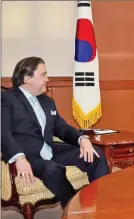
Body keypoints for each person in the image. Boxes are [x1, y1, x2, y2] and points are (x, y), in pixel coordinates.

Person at [1, 56, 110, 208]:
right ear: (27, 79)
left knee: (95, 154)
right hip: (29, 156)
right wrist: (19, 158)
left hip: (52, 151)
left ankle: (104, 203)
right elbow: (3, 132)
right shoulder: (7, 99)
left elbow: (62, 128)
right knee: (52, 169)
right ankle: (73, 208)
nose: (47, 79)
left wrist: (82, 139)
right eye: (43, 74)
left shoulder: (47, 101)